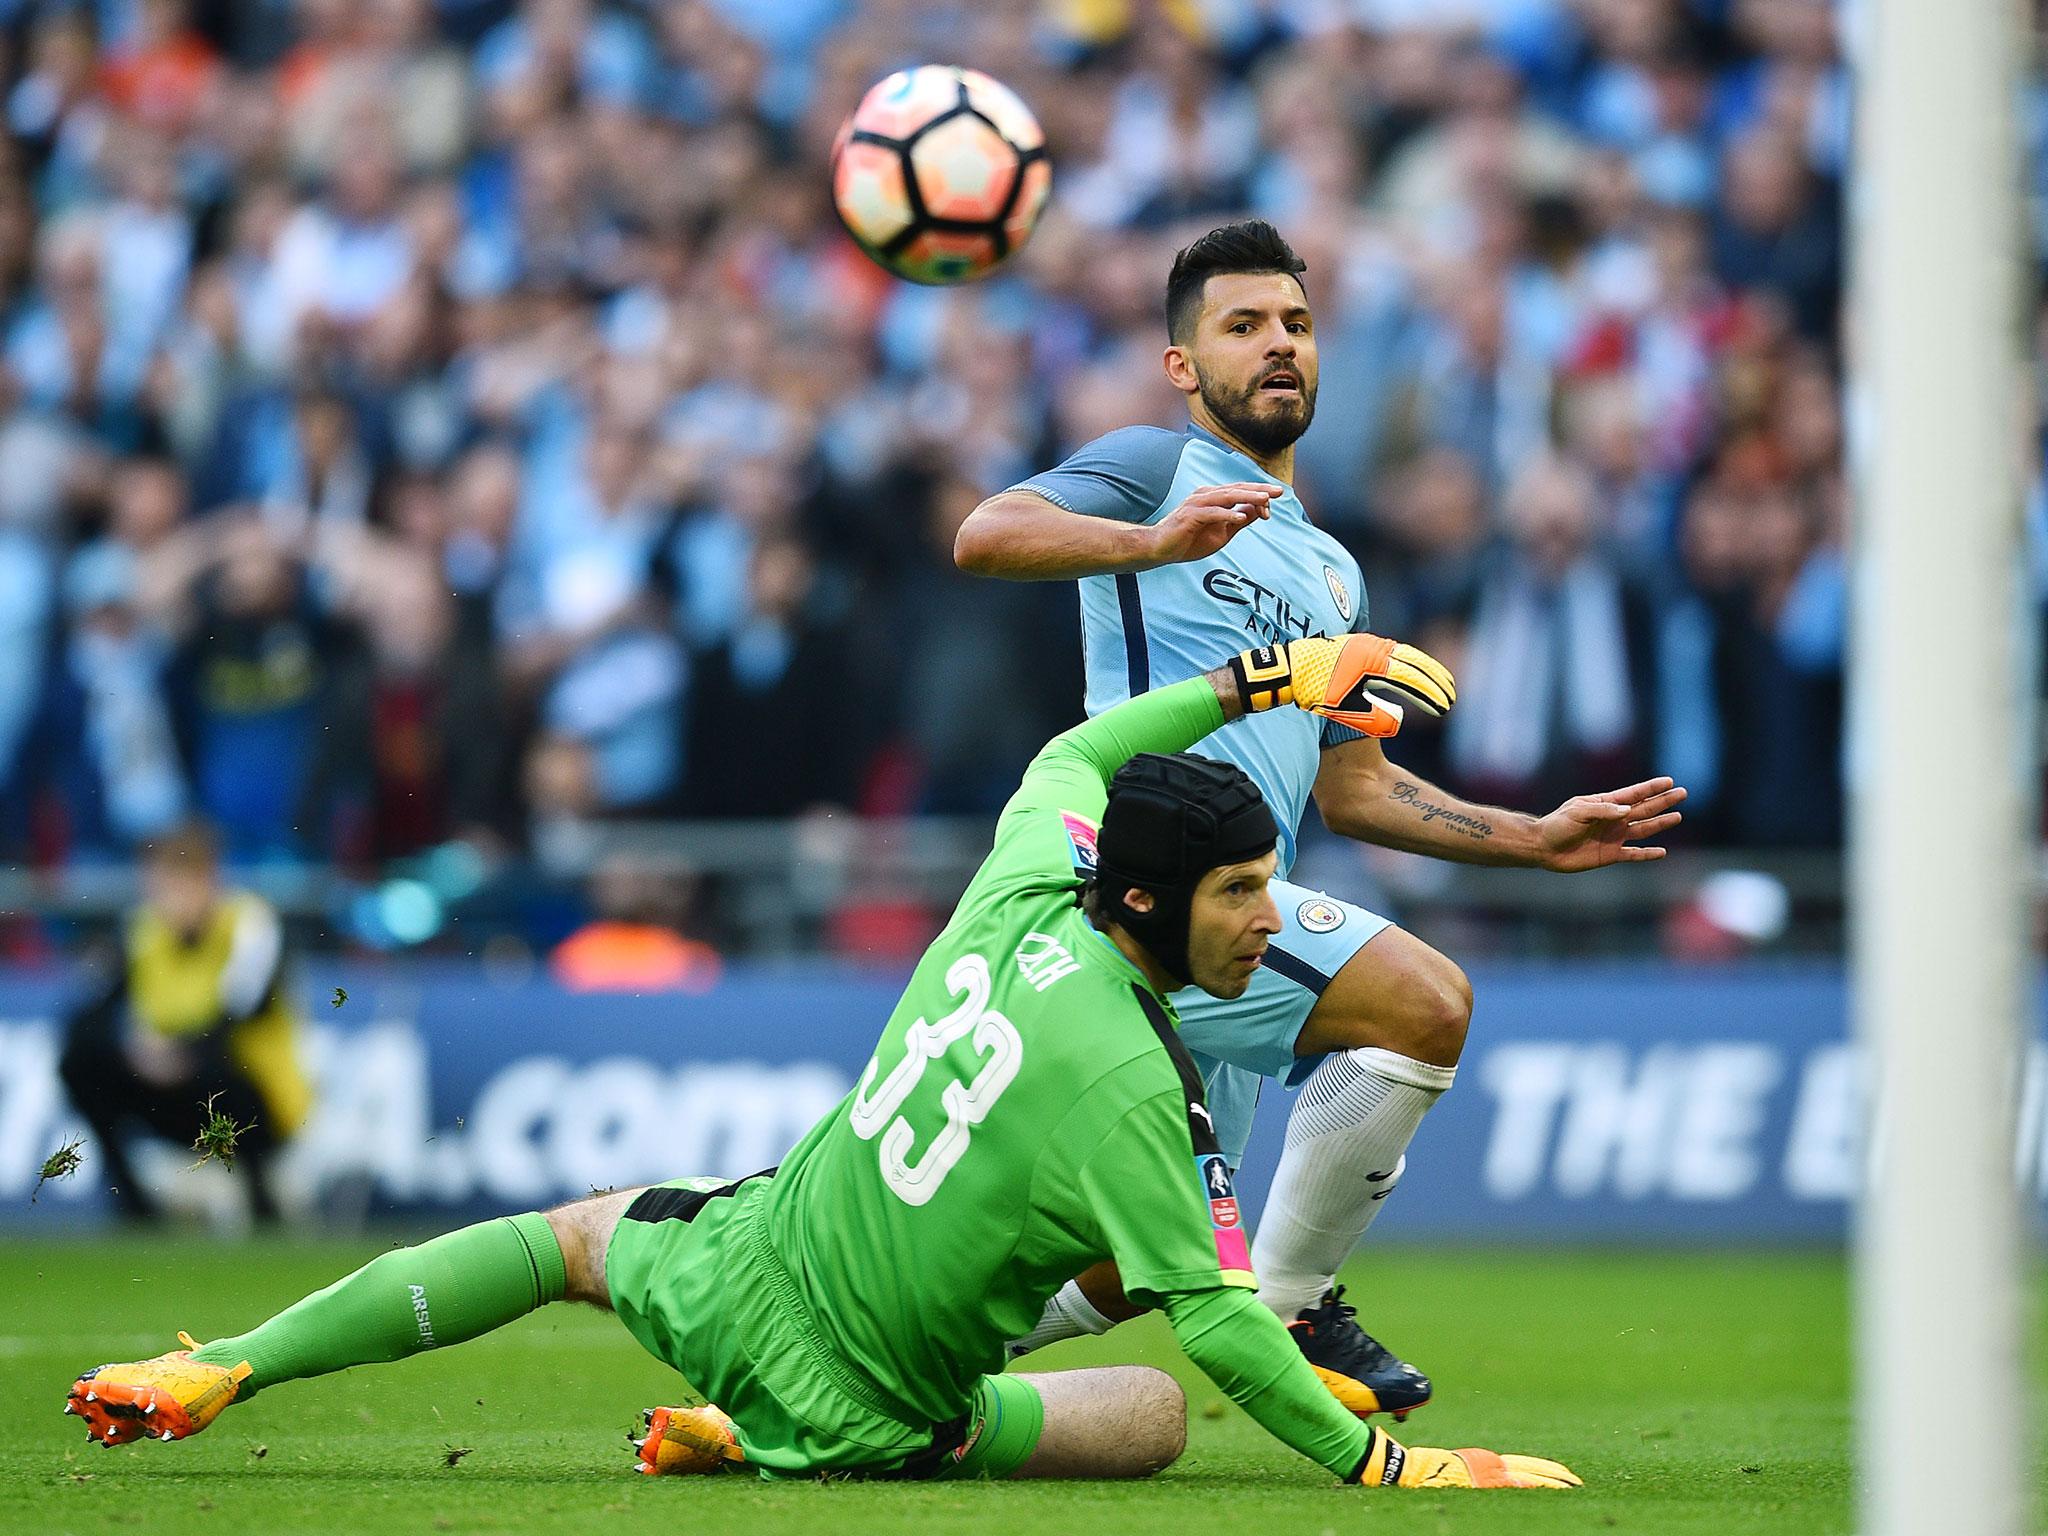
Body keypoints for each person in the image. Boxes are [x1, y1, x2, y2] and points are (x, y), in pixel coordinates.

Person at [64, 634, 1576, 1492]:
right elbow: (1234, 1336)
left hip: (739, 1255)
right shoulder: (1138, 1085)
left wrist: (1268, 680)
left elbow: (1080, 750)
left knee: (564, 1238)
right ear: (1142, 900)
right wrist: (1399, 1479)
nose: (1268, 922)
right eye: (1239, 892)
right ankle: (770, 1435)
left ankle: (229, 1366)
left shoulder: (1021, 877)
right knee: (1158, 1407)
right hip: (876, 1408)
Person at [956, 220, 1685, 1415]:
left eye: (1293, 324)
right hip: (1143, 884)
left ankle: (882, 1365)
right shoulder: (1152, 466)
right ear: (1183, 365)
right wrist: (1150, 543)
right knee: (1424, 1003)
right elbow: (982, 535)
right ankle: (1291, 1311)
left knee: (1136, 1259)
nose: (1276, 346)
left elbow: (1350, 789)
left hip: (1232, 912)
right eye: (1240, 327)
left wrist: (1530, 836)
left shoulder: (1337, 573)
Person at [56, 821, 312, 1222]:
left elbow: (244, 1010)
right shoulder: (143, 929)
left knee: (223, 1074)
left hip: (253, 1095)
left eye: (177, 884)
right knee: (80, 1062)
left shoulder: (249, 924)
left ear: (208, 880)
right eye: (158, 885)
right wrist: (137, 1052)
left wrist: (180, 1052)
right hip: (174, 1088)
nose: (165, 899)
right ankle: (135, 1207)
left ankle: (262, 1200)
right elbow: (90, 1015)